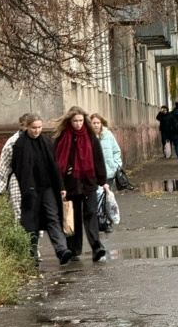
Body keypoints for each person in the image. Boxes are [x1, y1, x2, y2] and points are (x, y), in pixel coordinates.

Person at [11, 113, 73, 267]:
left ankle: (61, 250)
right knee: (32, 222)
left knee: (53, 216)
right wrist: (26, 189)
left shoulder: (46, 142)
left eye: (39, 127)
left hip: (47, 187)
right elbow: (19, 169)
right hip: (30, 190)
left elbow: (55, 166)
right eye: (33, 128)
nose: (37, 130)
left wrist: (61, 187)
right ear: (27, 127)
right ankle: (32, 255)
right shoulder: (20, 145)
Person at [55, 106, 109, 263]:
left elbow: (98, 158)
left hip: (88, 180)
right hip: (71, 182)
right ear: (69, 121)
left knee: (91, 212)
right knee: (74, 215)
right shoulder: (63, 137)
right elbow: (58, 161)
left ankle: (96, 247)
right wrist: (61, 183)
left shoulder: (90, 136)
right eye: (75, 121)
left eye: (80, 121)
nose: (78, 124)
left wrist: (103, 180)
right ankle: (74, 248)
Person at [0, 112, 30, 222]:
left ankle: (34, 238)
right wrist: (1, 187)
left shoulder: (40, 141)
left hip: (35, 178)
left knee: (35, 211)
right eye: (26, 125)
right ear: (21, 125)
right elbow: (4, 163)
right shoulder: (13, 142)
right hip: (17, 177)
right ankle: (20, 236)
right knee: (19, 209)